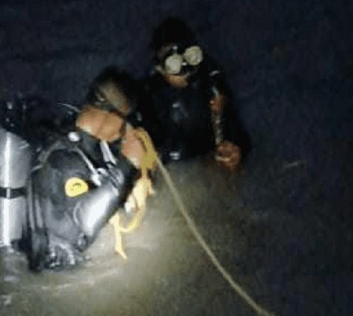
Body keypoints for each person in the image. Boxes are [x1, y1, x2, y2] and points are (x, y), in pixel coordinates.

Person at [22, 67, 157, 271]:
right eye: (127, 122)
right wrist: (127, 163)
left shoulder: (96, 147)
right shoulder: (63, 160)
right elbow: (86, 220)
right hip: (60, 271)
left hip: (84, 257)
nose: (127, 131)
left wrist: (137, 181)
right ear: (110, 117)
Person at [139, 17, 250, 171]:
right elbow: (155, 150)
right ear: (160, 68)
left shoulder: (210, 80)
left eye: (191, 57)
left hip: (208, 156)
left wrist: (236, 149)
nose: (185, 69)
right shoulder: (151, 96)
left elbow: (235, 127)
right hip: (181, 163)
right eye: (174, 63)